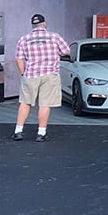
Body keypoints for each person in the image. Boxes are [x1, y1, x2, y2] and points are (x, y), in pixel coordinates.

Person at [12, 14, 70, 142]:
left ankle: (18, 131)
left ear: (32, 25)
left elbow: (18, 58)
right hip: (50, 75)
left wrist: (23, 73)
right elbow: (66, 51)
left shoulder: (24, 39)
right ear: (44, 24)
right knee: (45, 104)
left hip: (30, 75)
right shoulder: (54, 37)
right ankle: (41, 133)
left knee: (25, 102)